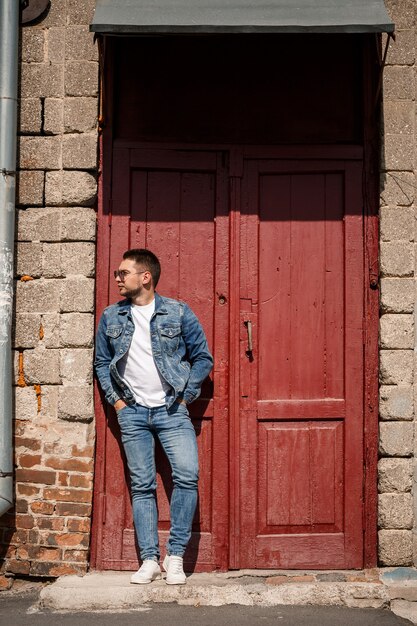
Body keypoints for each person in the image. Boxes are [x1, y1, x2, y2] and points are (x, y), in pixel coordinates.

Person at [94, 248, 213, 585]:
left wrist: (185, 395)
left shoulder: (178, 312)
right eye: (118, 273)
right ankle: (148, 559)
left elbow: (203, 358)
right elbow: (102, 363)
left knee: (187, 476)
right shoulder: (111, 317)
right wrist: (117, 402)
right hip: (131, 413)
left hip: (172, 410)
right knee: (142, 485)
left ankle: (174, 557)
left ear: (145, 276)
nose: (118, 278)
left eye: (123, 273)